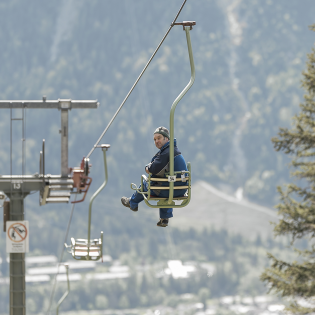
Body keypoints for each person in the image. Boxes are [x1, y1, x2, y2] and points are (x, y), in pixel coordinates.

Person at [121, 126, 188, 227]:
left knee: (147, 183)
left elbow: (154, 169)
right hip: (181, 189)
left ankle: (132, 202)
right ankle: (164, 218)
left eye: (159, 138)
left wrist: (148, 167)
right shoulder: (174, 151)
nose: (156, 141)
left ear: (166, 138)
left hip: (171, 189)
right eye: (155, 139)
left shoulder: (167, 153)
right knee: (165, 184)